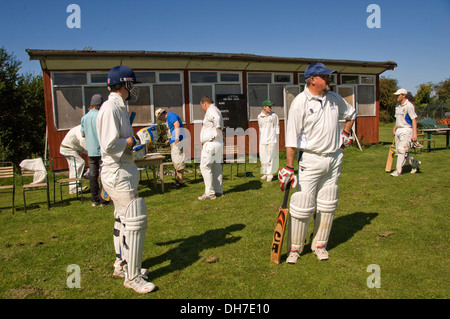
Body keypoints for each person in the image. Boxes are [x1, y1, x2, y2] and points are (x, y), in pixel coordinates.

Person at [279, 62, 356, 263]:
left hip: (334, 158)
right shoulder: (300, 102)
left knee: (328, 204)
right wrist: (289, 167)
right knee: (302, 204)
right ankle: (295, 249)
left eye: (329, 76)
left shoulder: (333, 98)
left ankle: (319, 245)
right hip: (310, 159)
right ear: (313, 79)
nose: (330, 80)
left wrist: (346, 133)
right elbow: (291, 138)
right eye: (326, 77)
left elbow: (351, 113)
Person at [96, 65, 156, 294]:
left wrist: (138, 144)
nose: (134, 89)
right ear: (123, 84)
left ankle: (121, 265)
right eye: (132, 84)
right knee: (134, 220)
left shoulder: (118, 108)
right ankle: (132, 277)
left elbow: (121, 144)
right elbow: (110, 145)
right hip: (117, 173)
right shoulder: (110, 108)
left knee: (122, 220)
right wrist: (133, 141)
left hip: (122, 170)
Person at [81, 93, 110, 207]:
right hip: (102, 150)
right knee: (104, 175)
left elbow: (83, 134)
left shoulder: (85, 117)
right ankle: (104, 200)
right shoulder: (101, 115)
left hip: (91, 151)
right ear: (100, 104)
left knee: (92, 176)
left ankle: (95, 200)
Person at [391, 88, 421, 176]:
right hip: (399, 130)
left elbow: (414, 120)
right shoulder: (397, 106)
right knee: (400, 152)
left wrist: (414, 134)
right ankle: (415, 164)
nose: (396, 97)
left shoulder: (409, 106)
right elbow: (397, 119)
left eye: (398, 95)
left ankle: (398, 171)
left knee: (401, 150)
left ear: (404, 95)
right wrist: (394, 129)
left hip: (407, 130)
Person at [198, 96, 224, 200]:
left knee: (205, 167)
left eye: (202, 106)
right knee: (215, 167)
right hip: (216, 143)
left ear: (204, 103)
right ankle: (218, 190)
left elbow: (216, 119)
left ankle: (209, 193)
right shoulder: (216, 109)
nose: (202, 108)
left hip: (211, 143)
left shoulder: (211, 110)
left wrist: (216, 132)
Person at [155, 108, 186, 187]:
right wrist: (169, 140)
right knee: (176, 160)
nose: (160, 120)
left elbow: (177, 124)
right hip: (175, 141)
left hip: (179, 142)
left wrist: (176, 138)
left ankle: (180, 181)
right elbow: (172, 129)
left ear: (161, 115)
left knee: (178, 160)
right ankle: (179, 180)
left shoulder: (170, 115)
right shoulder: (169, 118)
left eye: (159, 118)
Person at [59, 124, 88, 194]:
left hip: (69, 148)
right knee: (80, 163)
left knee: (73, 168)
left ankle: (73, 188)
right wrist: (90, 151)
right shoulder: (80, 129)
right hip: (67, 149)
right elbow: (82, 141)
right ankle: (74, 187)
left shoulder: (82, 128)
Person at [258, 100, 279, 182]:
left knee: (270, 157)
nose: (270, 108)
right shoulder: (259, 116)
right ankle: (265, 173)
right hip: (263, 139)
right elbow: (260, 127)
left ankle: (270, 174)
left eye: (271, 106)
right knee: (263, 157)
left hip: (271, 139)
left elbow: (276, 126)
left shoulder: (274, 115)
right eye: (269, 106)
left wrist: (275, 136)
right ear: (264, 107)